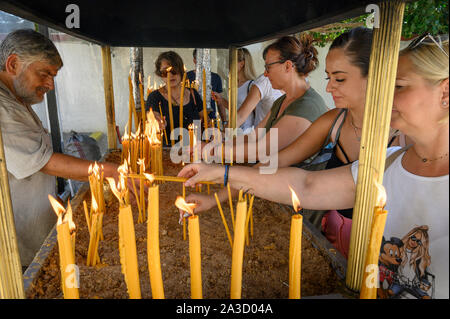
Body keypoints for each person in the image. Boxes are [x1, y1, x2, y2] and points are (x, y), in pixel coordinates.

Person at [179, 33, 449, 299]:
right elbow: (303, 183)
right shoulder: (389, 161)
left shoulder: (387, 145)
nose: (329, 86)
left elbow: (265, 150)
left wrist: (216, 155)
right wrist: (222, 175)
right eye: (330, 77)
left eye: (399, 85)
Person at [0, 29, 121, 268]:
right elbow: (45, 162)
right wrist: (112, 171)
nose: (50, 85)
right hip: (14, 244)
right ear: (13, 64)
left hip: (34, 230)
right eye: (44, 74)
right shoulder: (3, 107)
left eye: (53, 76)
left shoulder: (15, 100)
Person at [186, 35, 329, 213]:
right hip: (277, 190)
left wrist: (213, 151)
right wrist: (217, 144)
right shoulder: (283, 101)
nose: (265, 74)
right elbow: (253, 137)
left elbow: (261, 150)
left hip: (300, 206)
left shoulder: (306, 106)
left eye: (268, 67)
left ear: (287, 66)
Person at [146, 51, 206, 147]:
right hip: (168, 154)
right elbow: (154, 119)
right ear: (159, 74)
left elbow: (206, 121)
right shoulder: (155, 97)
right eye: (165, 72)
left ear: (181, 71)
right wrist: (158, 123)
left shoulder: (193, 94)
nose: (171, 75)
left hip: (195, 151)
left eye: (174, 70)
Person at [213, 48, 259, 133]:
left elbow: (256, 112)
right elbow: (237, 107)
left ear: (242, 64)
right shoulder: (234, 84)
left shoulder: (252, 85)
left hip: (247, 132)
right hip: (234, 130)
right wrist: (221, 100)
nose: (229, 65)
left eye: (232, 62)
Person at [187, 49, 223, 120]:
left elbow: (220, 103)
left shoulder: (216, 78)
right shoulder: (186, 77)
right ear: (194, 60)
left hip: (211, 119)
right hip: (192, 121)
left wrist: (224, 121)